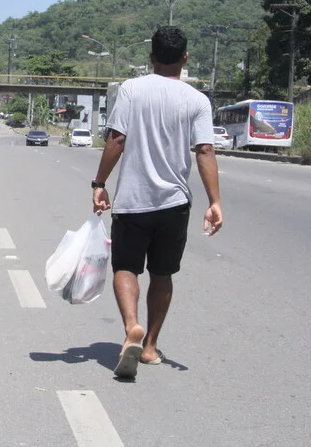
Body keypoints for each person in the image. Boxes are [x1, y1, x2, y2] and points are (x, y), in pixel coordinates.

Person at [91, 26, 223, 379]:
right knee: (162, 275)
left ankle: (131, 327)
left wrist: (100, 182)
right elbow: (205, 150)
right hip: (174, 204)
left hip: (134, 200)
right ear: (185, 58)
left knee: (126, 268)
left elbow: (117, 139)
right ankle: (149, 347)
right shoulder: (197, 100)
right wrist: (214, 201)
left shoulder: (132, 89)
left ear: (150, 58)